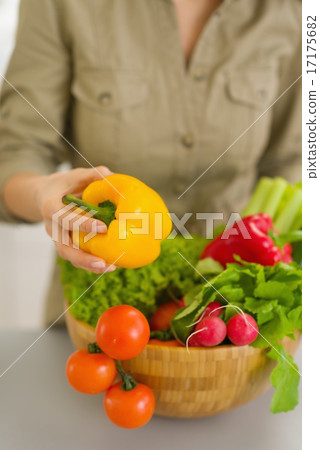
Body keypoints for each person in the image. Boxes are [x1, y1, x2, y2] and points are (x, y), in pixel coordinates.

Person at [0, 0, 301, 324]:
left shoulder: (291, 9)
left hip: (230, 313)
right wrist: (42, 194)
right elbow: (16, 149)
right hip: (96, 314)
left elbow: (290, 161)